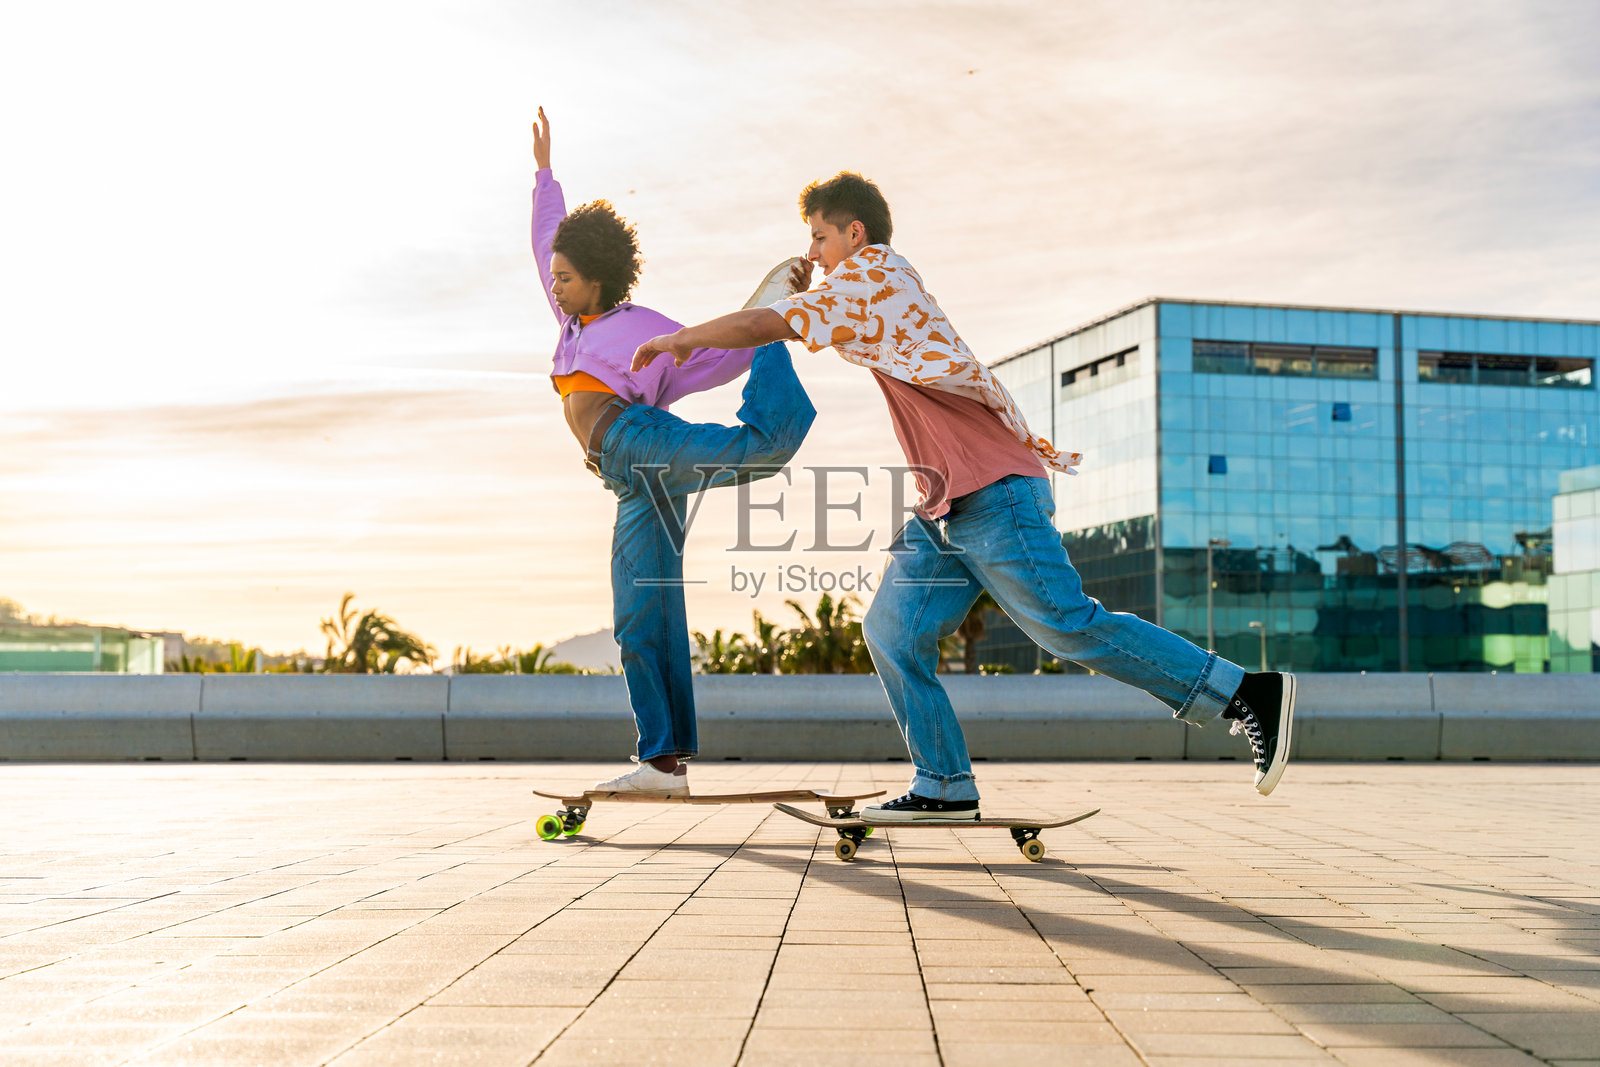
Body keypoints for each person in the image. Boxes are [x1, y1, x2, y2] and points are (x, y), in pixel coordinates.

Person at [633, 171, 1295, 820]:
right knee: (891, 629)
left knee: (1068, 625)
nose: (813, 253)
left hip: (995, 491)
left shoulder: (876, 275)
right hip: (947, 507)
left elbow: (765, 325)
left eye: (818, 238)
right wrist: (778, 307)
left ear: (854, 232)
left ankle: (1244, 692)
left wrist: (678, 339)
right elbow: (786, 322)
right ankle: (944, 781)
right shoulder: (871, 289)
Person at [531, 108, 815, 796]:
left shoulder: (643, 328)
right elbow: (546, 242)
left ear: (597, 279)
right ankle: (663, 761)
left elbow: (716, 357)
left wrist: (765, 321)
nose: (557, 286)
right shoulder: (572, 320)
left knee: (759, 447)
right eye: (557, 279)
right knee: (640, 611)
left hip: (642, 443)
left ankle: (782, 356)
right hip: (632, 481)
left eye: (569, 278)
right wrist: (544, 174)